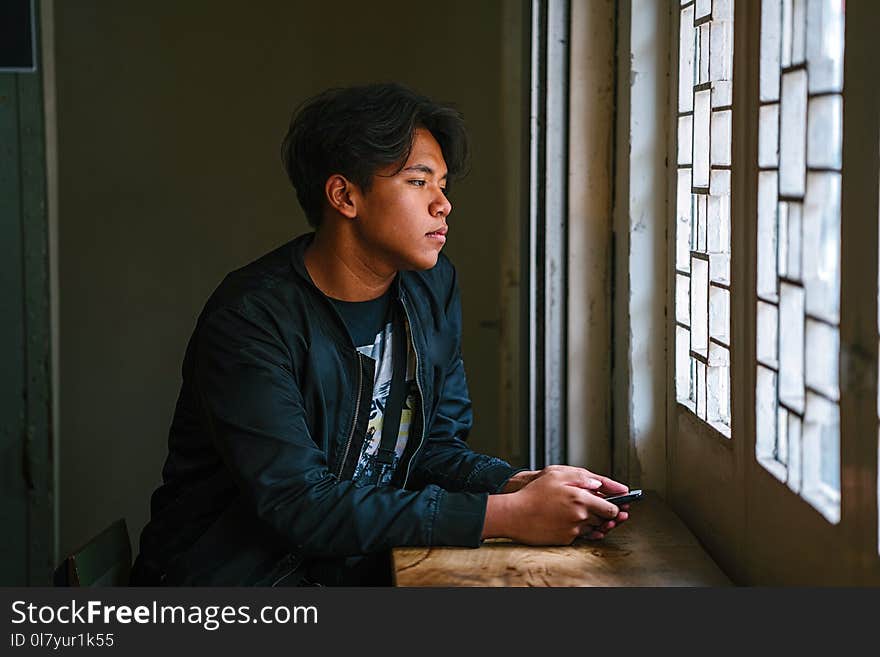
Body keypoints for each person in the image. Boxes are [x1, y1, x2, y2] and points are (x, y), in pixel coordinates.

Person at [130, 82, 630, 586]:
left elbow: (433, 448)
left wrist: (515, 484)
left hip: (354, 573)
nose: (443, 205)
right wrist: (505, 515)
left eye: (443, 185)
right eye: (418, 182)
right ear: (344, 195)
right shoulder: (251, 319)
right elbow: (300, 504)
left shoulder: (431, 287)